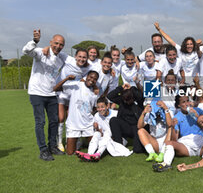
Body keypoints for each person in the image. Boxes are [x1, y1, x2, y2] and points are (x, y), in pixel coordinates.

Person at [22, 29, 66, 161]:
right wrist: (35, 41)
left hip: (52, 94)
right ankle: (43, 150)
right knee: (40, 122)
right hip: (37, 93)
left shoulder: (61, 58)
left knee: (54, 121)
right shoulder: (41, 52)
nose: (58, 46)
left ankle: (52, 146)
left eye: (61, 44)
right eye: (56, 43)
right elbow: (26, 51)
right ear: (51, 42)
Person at [154, 22, 203, 86]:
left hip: (195, 81)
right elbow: (170, 40)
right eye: (187, 44)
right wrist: (159, 29)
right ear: (184, 45)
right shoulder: (180, 51)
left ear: (194, 45)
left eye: (191, 44)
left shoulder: (198, 50)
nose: (189, 46)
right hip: (183, 81)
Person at [152, 92, 203, 172]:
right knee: (169, 143)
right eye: (183, 102)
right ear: (179, 105)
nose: (187, 104)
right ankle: (166, 164)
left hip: (201, 142)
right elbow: (175, 140)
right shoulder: (177, 117)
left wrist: (197, 116)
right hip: (187, 146)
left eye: (188, 101)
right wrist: (174, 127)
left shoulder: (198, 111)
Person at [53, 70, 99, 155]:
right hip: (73, 124)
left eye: (95, 79)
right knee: (70, 152)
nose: (92, 80)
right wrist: (67, 78)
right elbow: (55, 88)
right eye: (91, 77)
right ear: (86, 77)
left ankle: (84, 141)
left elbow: (95, 109)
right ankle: (77, 141)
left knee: (95, 150)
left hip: (88, 124)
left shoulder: (95, 92)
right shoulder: (76, 85)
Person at [75, 97, 133, 161]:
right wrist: (97, 128)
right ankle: (89, 154)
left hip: (119, 139)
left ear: (107, 106)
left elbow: (123, 129)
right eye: (98, 107)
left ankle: (98, 154)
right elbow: (101, 133)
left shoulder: (116, 114)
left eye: (102, 107)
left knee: (107, 134)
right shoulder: (97, 116)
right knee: (97, 134)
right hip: (106, 138)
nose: (100, 109)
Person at [107, 83, 145, 153]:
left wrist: (132, 88)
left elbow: (141, 95)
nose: (127, 102)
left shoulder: (139, 102)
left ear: (133, 97)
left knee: (137, 150)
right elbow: (109, 96)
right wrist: (121, 88)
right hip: (125, 126)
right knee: (113, 120)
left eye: (128, 100)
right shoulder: (122, 101)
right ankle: (118, 144)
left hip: (137, 128)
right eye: (125, 100)